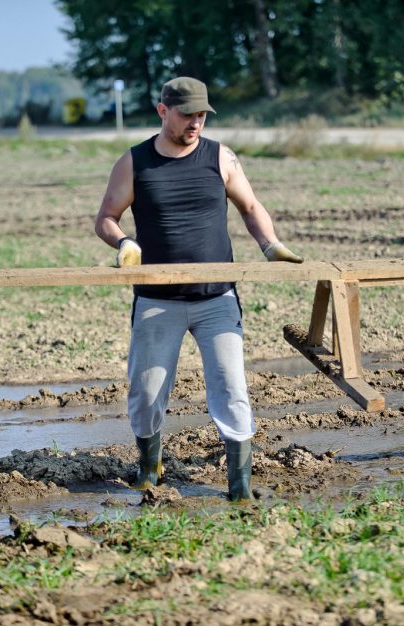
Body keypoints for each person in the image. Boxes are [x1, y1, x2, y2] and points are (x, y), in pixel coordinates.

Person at [94, 76, 303, 501]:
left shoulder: (221, 156)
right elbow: (106, 217)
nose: (195, 123)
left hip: (216, 298)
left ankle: (240, 485)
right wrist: (125, 241)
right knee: (146, 391)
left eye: (202, 115)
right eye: (187, 114)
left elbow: (250, 206)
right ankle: (149, 467)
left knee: (231, 387)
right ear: (162, 111)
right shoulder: (135, 162)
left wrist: (270, 243)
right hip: (157, 299)